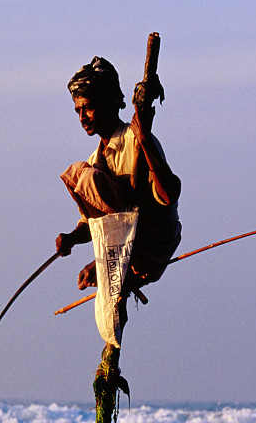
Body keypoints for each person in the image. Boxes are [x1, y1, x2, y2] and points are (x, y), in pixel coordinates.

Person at [55, 56, 181, 347]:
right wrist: (72, 238)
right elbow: (92, 222)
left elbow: (168, 196)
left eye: (88, 107)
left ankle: (111, 261)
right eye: (78, 110)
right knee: (80, 174)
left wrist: (145, 139)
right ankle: (109, 261)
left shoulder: (136, 140)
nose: (82, 117)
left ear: (109, 103)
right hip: (126, 245)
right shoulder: (97, 158)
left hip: (152, 243)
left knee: (85, 177)